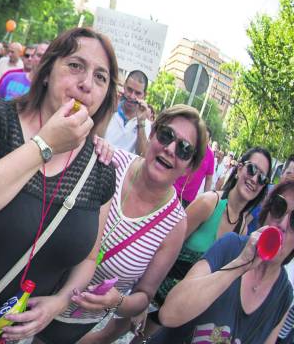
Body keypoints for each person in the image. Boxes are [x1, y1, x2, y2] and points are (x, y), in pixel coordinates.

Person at [0, 27, 120, 343]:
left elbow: (89, 258)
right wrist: (45, 144)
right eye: (75, 65)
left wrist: (59, 302)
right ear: (48, 70)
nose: (86, 83)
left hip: (8, 336)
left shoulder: (101, 168)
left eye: (100, 77)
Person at [59, 105, 209, 343]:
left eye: (184, 149)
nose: (170, 149)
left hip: (77, 324)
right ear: (152, 134)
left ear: (190, 167)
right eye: (166, 135)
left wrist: (117, 301)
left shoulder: (175, 224)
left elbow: (144, 296)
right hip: (37, 289)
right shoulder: (109, 161)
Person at [139, 146, 272, 341]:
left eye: (262, 178)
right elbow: (165, 247)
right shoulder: (209, 203)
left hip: (185, 319)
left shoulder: (243, 231)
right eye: (252, 169)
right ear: (240, 168)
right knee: (103, 337)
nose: (254, 179)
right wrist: (143, 297)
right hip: (155, 303)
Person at [152, 180, 294, 343]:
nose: (283, 224)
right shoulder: (231, 246)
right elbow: (169, 313)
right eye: (279, 207)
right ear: (268, 211)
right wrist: (240, 265)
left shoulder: (284, 295)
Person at [104, 70, 151, 155]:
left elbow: (142, 155)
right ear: (124, 86)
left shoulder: (146, 125)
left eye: (138, 93)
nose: (132, 96)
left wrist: (141, 123)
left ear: (144, 95)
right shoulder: (108, 108)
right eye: (129, 89)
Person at [173, 129, 215, 206]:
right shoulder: (189, 145)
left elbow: (209, 179)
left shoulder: (210, 156)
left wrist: (205, 198)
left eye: (205, 138)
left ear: (209, 140)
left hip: (188, 198)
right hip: (173, 188)